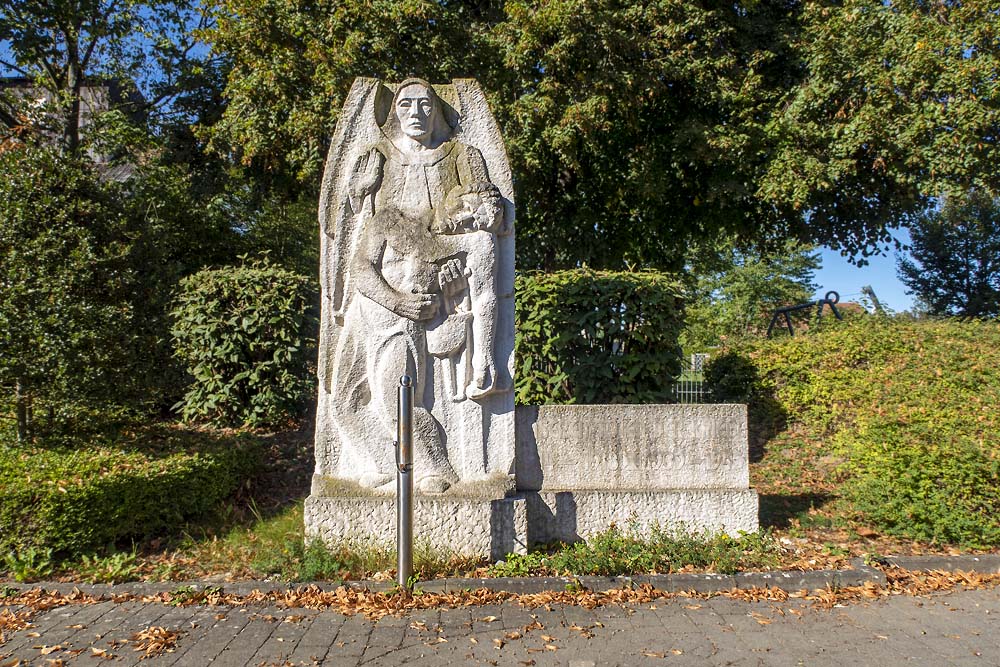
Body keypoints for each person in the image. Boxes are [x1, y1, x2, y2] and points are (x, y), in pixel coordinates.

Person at [330, 78, 505, 493]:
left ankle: (433, 466)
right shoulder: (383, 203)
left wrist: (479, 350)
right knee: (344, 399)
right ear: (394, 112)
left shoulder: (464, 162)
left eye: (425, 104)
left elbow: (482, 287)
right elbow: (357, 253)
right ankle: (380, 461)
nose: (415, 112)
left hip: (408, 311)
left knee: (397, 395)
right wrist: (357, 192)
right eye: (405, 104)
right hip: (371, 306)